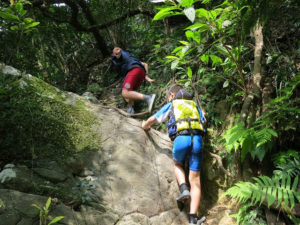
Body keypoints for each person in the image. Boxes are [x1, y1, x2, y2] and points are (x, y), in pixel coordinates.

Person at [142, 84, 206, 225]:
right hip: (197, 140)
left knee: (177, 164)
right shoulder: (194, 106)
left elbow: (153, 119)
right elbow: (204, 121)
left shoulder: (172, 105)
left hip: (181, 139)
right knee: (196, 181)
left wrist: (144, 126)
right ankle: (193, 220)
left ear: (172, 95)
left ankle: (184, 189)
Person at [112, 47, 156, 114]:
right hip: (141, 72)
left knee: (125, 93)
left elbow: (118, 52)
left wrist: (117, 51)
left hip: (134, 70)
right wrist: (146, 76)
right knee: (129, 92)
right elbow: (145, 64)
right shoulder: (131, 59)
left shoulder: (123, 58)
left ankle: (149, 98)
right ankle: (131, 110)